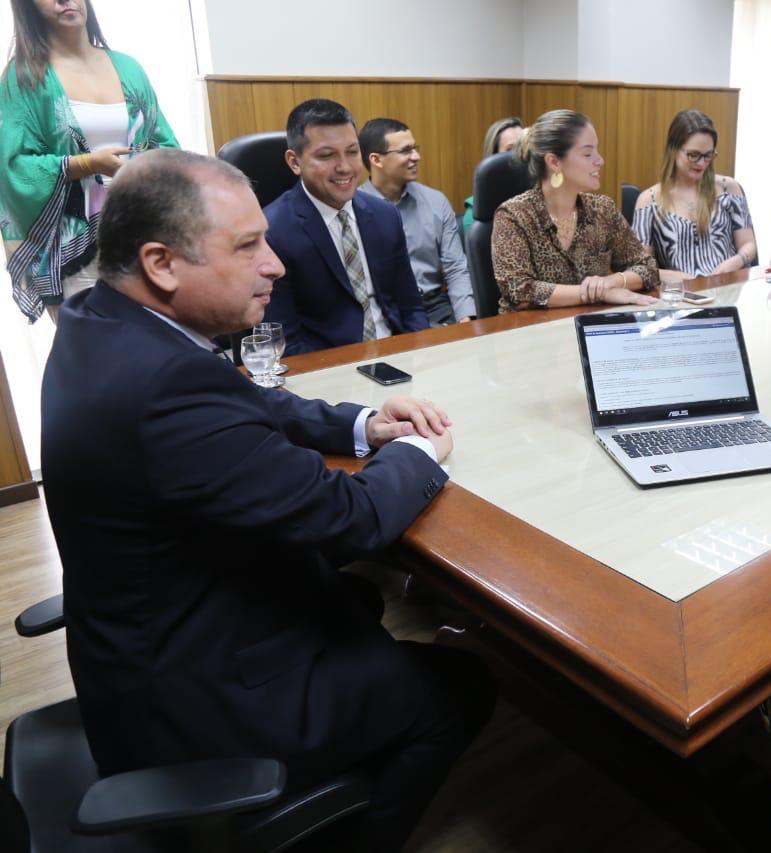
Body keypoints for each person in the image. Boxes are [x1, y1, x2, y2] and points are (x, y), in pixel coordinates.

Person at [41, 148, 494, 853]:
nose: (275, 264)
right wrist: (416, 452)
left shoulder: (104, 322)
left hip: (147, 641)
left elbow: (245, 401)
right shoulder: (163, 390)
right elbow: (351, 521)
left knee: (361, 613)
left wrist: (361, 425)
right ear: (162, 263)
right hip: (199, 702)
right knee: (457, 687)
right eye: (249, 245)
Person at [1, 0, 177, 323]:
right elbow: (13, 167)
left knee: (160, 346)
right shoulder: (24, 77)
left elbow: (165, 145)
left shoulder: (128, 67)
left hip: (143, 230)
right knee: (98, 355)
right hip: (77, 252)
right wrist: (86, 164)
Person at [264, 98, 431, 355]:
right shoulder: (273, 231)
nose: (345, 167)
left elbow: (411, 308)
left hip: (399, 355)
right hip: (328, 368)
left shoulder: (385, 215)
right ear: (294, 162)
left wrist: (419, 354)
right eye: (327, 155)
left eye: (352, 152)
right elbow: (285, 343)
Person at [491, 109, 659, 313]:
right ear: (554, 162)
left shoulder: (602, 209)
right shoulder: (513, 215)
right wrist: (595, 293)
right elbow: (519, 290)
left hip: (588, 329)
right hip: (529, 335)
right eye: (588, 153)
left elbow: (648, 268)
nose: (600, 160)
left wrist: (611, 282)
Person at [359, 117, 476, 324]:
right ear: (376, 160)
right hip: (384, 312)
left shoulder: (435, 201)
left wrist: (466, 318)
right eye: (405, 151)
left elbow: (456, 268)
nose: (417, 157)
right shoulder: (353, 209)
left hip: (434, 305)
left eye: (415, 148)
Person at [631, 109, 757, 281]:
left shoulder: (729, 188)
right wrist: (683, 278)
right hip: (679, 296)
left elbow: (748, 244)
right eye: (693, 155)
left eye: (708, 155)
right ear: (674, 150)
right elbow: (641, 269)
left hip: (728, 289)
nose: (702, 163)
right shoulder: (649, 201)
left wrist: (736, 261)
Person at [461, 116, 523, 243]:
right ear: (494, 158)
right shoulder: (476, 212)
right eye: (511, 149)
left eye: (524, 147)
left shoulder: (540, 199)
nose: (521, 155)